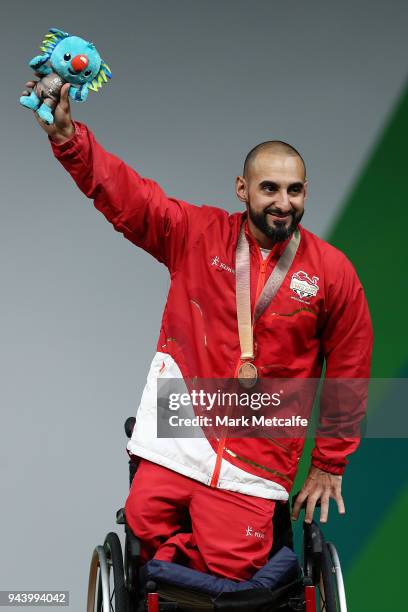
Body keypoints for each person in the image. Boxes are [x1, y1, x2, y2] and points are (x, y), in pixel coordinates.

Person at [24, 82, 373, 581]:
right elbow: (129, 196)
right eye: (269, 188)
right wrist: (68, 139)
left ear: (305, 193)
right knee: (144, 524)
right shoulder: (197, 234)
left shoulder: (332, 273)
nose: (283, 202)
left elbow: (351, 365)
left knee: (232, 566)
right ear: (242, 189)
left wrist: (330, 463)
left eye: (294, 190)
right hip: (180, 432)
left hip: (256, 458)